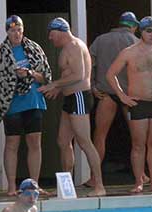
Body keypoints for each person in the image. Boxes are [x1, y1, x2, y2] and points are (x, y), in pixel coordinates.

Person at [39, 17, 106, 197]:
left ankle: (99, 185)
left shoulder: (75, 46)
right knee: (63, 141)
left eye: (52, 34)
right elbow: (70, 74)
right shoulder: (68, 47)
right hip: (70, 98)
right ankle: (66, 187)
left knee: (85, 142)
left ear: (60, 31)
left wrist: (54, 84)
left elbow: (79, 74)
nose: (50, 38)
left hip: (79, 98)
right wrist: (60, 87)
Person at [0, 15, 52, 196]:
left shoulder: (34, 48)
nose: (16, 34)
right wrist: (12, 77)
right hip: (12, 103)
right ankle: (11, 187)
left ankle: (34, 184)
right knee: (12, 143)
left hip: (33, 101)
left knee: (34, 142)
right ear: (7, 31)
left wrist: (29, 73)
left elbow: (46, 76)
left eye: (19, 30)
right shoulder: (0, 53)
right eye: (13, 30)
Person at [106, 17, 152, 193]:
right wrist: (122, 96)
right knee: (138, 144)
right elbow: (111, 74)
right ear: (141, 32)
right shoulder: (129, 52)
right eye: (149, 31)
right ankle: (138, 182)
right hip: (138, 103)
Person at [86, 12, 151, 187]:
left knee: (99, 136)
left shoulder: (100, 40)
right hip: (130, 95)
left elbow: (89, 64)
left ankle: (94, 177)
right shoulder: (137, 42)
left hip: (106, 93)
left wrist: (92, 85)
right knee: (138, 138)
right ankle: (142, 175)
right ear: (134, 26)